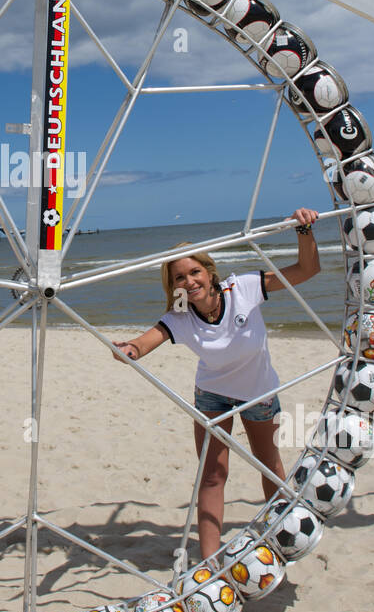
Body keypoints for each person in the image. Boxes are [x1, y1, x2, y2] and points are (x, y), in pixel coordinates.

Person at [113, 211, 320, 560]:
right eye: (180, 277)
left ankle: (281, 538)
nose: (189, 281)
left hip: (258, 393)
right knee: (212, 475)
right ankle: (209, 559)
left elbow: (306, 270)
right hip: (212, 396)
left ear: (209, 272)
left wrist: (303, 228)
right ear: (173, 285)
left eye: (194, 272)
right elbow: (144, 343)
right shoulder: (178, 317)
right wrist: (127, 350)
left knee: (270, 467)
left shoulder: (244, 288)